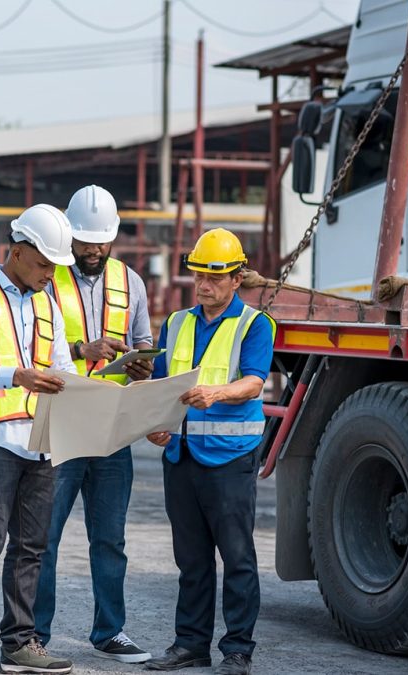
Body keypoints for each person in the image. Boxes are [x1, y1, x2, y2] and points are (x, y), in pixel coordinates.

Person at [0, 203, 79, 675]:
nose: (50, 274)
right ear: (18, 251)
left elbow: (63, 369)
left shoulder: (48, 302)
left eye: (54, 266)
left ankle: (20, 642)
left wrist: (103, 382)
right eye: (44, 264)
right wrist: (15, 375)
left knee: (31, 548)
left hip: (40, 443)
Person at [143, 228, 275, 675]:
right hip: (181, 457)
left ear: (237, 279)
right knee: (191, 560)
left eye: (215, 277)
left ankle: (238, 650)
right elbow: (164, 387)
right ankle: (190, 645)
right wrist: (157, 427)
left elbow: (255, 381)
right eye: (199, 275)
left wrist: (217, 393)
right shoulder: (177, 323)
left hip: (229, 458)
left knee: (237, 557)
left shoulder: (254, 324)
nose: (204, 285)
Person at [33, 185, 154, 664]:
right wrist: (84, 352)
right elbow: (28, 354)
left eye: (102, 241)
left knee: (110, 539)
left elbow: (143, 343)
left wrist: (142, 366)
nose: (94, 250)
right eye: (85, 242)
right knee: (43, 539)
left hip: (111, 428)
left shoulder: (132, 283)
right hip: (62, 424)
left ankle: (110, 632)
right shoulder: (47, 280)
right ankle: (33, 636)